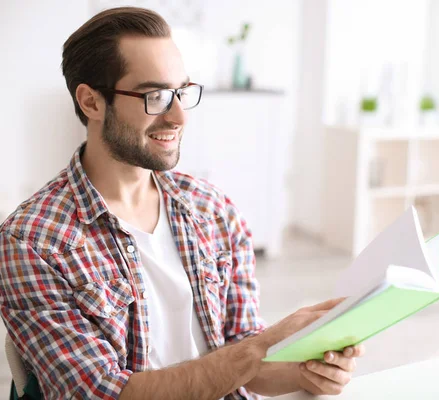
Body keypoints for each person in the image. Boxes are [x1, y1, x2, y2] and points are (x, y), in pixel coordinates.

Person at [0, 7, 364, 400]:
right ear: (91, 102)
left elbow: (246, 362)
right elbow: (101, 394)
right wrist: (255, 351)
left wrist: (304, 372)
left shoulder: (212, 210)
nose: (179, 117)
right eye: (155, 96)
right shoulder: (33, 242)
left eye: (182, 92)